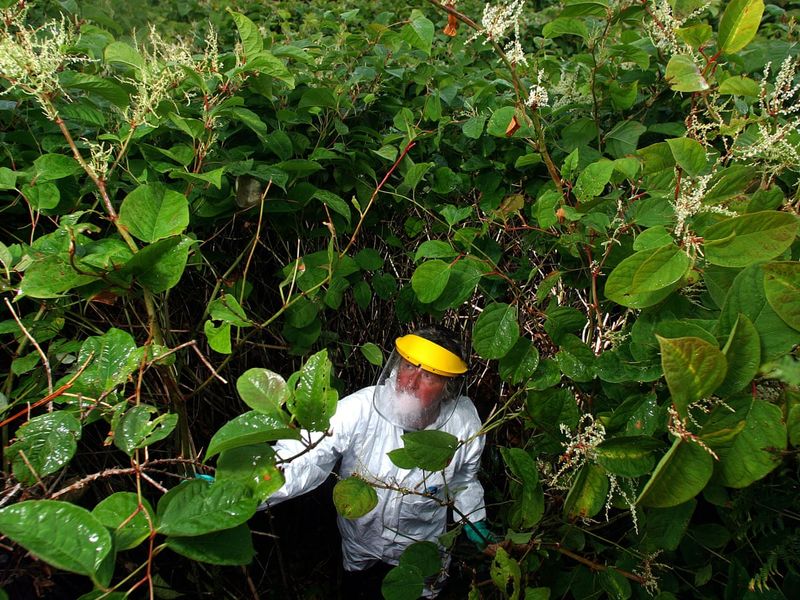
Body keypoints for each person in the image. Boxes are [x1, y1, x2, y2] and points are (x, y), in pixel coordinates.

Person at [264, 327, 488, 598]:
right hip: (360, 542)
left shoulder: (463, 424)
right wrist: (246, 487)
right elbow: (306, 455)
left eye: (428, 375)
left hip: (422, 549)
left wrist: (475, 519)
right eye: (407, 366)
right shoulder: (361, 408)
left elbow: (464, 478)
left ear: (448, 389)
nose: (410, 382)